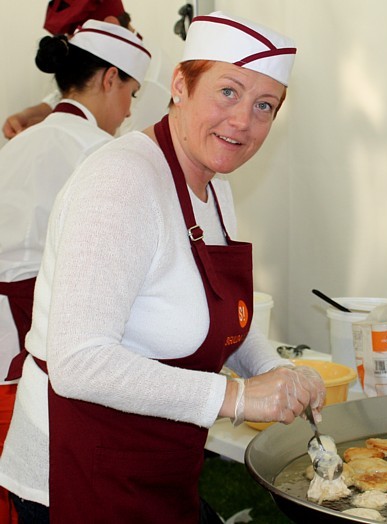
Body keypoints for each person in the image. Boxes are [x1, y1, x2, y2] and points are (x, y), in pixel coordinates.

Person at [0, 10, 325, 523]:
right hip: (80, 472)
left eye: (265, 105)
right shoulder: (121, 182)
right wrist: (236, 396)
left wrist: (274, 370)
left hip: (157, 463)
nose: (243, 120)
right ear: (180, 84)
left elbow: (214, 312)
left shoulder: (215, 187)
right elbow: (80, 361)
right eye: (228, 92)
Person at [0, 18, 150, 524]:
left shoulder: (22, 140)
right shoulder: (102, 155)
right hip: (27, 335)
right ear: (110, 79)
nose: (130, 110)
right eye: (132, 91)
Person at [2, 0, 172, 140]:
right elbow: (81, 92)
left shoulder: (148, 80)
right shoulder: (109, 62)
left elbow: (124, 151)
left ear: (109, 25)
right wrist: (32, 115)